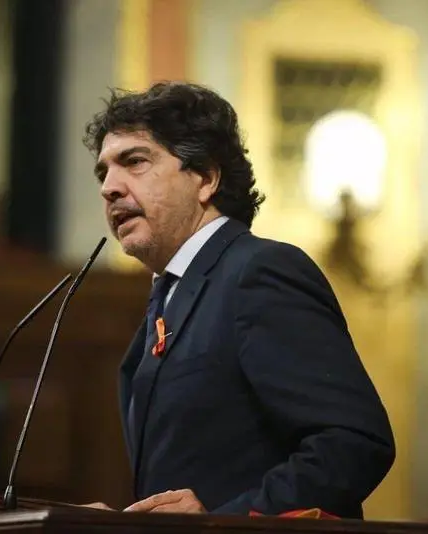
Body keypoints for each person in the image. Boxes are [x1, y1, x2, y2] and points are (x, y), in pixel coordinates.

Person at [81, 81, 394, 518]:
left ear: (206, 178)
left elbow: (353, 443)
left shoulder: (259, 272)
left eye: (134, 162)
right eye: (103, 172)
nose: (109, 188)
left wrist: (220, 521)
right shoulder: (167, 297)